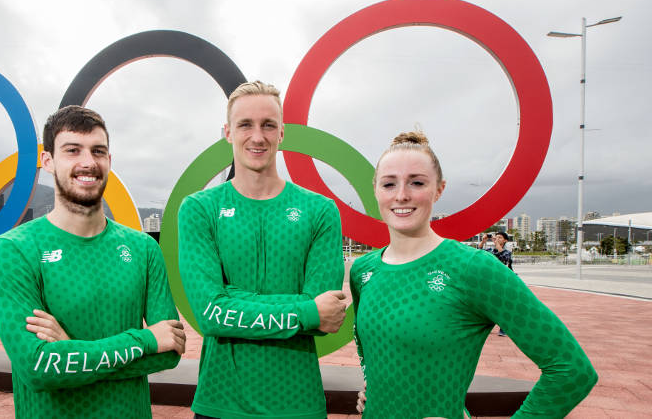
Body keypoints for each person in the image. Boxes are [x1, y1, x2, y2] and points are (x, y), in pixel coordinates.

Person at [351, 131, 597, 418]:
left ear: (439, 189)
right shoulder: (363, 269)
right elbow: (377, 350)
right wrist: (377, 390)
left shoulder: (473, 268)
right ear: (376, 189)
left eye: (416, 182)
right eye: (389, 183)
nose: (401, 194)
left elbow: (572, 370)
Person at [0, 106, 185, 418]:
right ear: (48, 162)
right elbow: (37, 368)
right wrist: (146, 340)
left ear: (109, 160)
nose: (88, 162)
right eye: (72, 150)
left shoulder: (144, 248)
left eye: (98, 151)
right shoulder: (14, 249)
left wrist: (70, 351)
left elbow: (171, 350)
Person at [178, 81, 348, 419]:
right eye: (245, 124)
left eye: (268, 125)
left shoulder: (320, 211)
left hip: (298, 405)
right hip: (219, 404)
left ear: (282, 132)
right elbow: (210, 315)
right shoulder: (199, 208)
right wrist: (305, 311)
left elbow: (327, 316)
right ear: (227, 132)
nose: (258, 136)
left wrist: (233, 299)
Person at [479, 231, 514, 336]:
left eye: (500, 237)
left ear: (505, 240)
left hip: (503, 283)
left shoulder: (507, 252)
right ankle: (485, 327)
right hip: (490, 282)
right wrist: (483, 241)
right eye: (496, 237)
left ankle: (504, 328)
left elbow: (504, 257)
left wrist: (497, 244)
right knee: (488, 305)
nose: (497, 239)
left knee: (503, 306)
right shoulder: (490, 250)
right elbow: (478, 253)